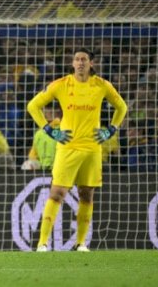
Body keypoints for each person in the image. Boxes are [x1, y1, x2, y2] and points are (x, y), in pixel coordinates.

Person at [26, 48, 127, 252]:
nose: (80, 62)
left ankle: (81, 243)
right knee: (57, 193)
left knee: (86, 195)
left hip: (92, 148)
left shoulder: (102, 85)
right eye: (77, 59)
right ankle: (42, 243)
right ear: (73, 64)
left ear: (91, 64)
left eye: (84, 59)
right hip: (68, 147)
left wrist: (111, 130)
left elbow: (122, 107)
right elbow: (32, 106)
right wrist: (49, 130)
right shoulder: (61, 84)